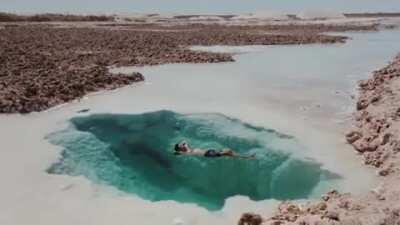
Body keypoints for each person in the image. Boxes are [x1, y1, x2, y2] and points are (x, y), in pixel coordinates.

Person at [173, 141, 255, 159]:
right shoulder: (186, 152)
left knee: (230, 154)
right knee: (228, 151)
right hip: (208, 154)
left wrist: (182, 145)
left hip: (209, 151)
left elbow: (185, 142)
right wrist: (180, 149)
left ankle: (248, 157)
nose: (182, 146)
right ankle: (247, 157)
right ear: (180, 149)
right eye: (180, 147)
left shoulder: (186, 148)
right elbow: (188, 150)